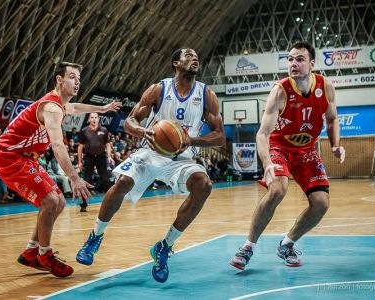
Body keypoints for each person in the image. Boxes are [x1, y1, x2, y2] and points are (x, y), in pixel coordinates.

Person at [76, 48, 225, 283]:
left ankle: (164, 246)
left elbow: (220, 136)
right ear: (176, 63)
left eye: (197, 55)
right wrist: (142, 130)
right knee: (123, 181)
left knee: (204, 185)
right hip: (151, 151)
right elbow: (129, 121)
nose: (194, 58)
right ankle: (95, 236)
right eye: (188, 55)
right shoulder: (159, 89)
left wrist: (192, 140)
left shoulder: (206, 95)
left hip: (182, 158)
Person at [0, 62, 121, 278]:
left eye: (79, 78)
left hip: (26, 159)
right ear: (59, 80)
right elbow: (57, 144)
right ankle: (45, 255)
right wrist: (74, 177)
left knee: (59, 201)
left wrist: (102, 109)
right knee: (51, 201)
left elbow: (75, 108)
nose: (77, 82)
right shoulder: (51, 107)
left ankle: (31, 251)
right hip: (11, 158)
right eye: (72, 77)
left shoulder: (60, 105)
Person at [230, 41, 346, 270]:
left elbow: (332, 119)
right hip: (279, 147)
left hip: (306, 151)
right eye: (290, 59)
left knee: (321, 203)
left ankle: (287, 243)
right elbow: (262, 134)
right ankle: (247, 247)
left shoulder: (326, 86)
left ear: (312, 63)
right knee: (278, 189)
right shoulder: (280, 91)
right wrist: (267, 163)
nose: (294, 63)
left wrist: (335, 145)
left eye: (300, 59)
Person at [77, 112, 112, 211]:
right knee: (86, 180)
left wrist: (109, 156)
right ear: (89, 119)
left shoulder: (104, 130)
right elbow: (80, 146)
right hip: (89, 157)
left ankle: (111, 202)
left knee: (105, 179)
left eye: (96, 117)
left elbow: (108, 144)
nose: (94, 119)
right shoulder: (84, 131)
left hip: (101, 157)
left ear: (98, 119)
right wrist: (79, 161)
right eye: (92, 117)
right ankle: (83, 205)